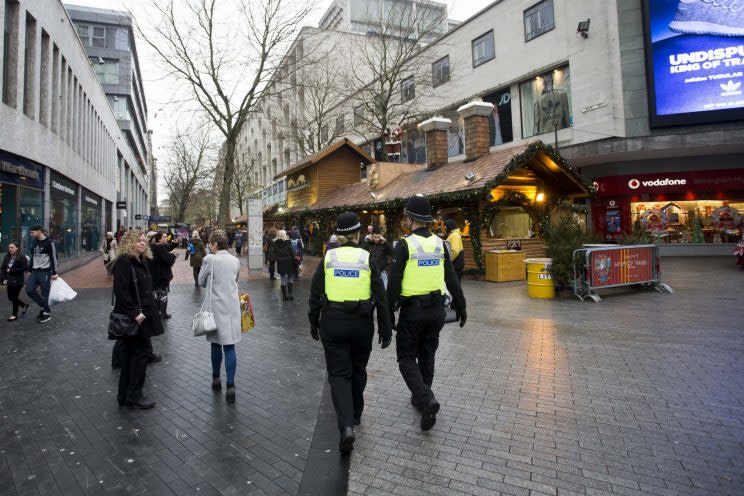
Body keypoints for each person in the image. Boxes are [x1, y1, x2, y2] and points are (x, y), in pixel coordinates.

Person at [308, 212, 392, 453]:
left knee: (338, 375)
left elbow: (315, 295)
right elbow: (381, 296)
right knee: (358, 369)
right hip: (361, 324)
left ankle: (345, 426)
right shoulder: (367, 258)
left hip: (333, 322)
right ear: (357, 234)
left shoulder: (329, 258)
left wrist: (313, 323)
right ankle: (356, 413)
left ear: (338, 234)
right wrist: (386, 328)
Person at [388, 194, 467, 431]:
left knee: (405, 358)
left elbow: (394, 282)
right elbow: (451, 279)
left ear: (410, 219)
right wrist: (461, 306)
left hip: (413, 312)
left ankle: (425, 398)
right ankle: (422, 400)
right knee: (428, 354)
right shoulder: (440, 245)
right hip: (436, 312)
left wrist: (389, 312)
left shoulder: (404, 244)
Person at [111, 229, 163, 409]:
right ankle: (133, 395)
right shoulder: (125, 262)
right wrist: (135, 313)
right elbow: (122, 292)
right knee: (139, 356)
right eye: (138, 241)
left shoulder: (141, 260)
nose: (142, 243)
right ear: (129, 243)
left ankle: (125, 395)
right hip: (135, 319)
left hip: (142, 317)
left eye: (144, 240)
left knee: (133, 357)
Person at [199, 230, 242, 403]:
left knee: (216, 344)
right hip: (231, 308)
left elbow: (201, 281)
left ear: (215, 244)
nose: (209, 246)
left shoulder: (210, 259)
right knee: (230, 346)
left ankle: (216, 378)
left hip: (215, 308)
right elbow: (235, 280)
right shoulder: (235, 260)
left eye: (210, 243)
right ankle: (231, 385)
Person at [26, 225, 58, 323]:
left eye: (32, 232)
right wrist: (30, 269)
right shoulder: (35, 241)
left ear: (39, 231)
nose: (31, 234)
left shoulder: (49, 242)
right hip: (35, 271)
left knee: (45, 293)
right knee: (29, 290)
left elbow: (54, 258)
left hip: (45, 271)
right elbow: (33, 256)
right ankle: (45, 307)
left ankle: (46, 314)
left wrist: (54, 272)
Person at [150, 231, 177, 319]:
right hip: (162, 275)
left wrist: (174, 244)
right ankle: (163, 313)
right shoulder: (160, 248)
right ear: (160, 239)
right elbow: (168, 261)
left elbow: (167, 249)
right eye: (165, 237)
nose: (166, 238)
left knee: (157, 294)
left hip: (155, 275)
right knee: (163, 295)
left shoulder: (155, 246)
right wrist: (174, 256)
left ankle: (158, 312)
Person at [1, 242, 30, 321]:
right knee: (10, 297)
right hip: (9, 280)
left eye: (12, 247)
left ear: (17, 248)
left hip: (18, 280)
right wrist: (4, 278)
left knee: (14, 297)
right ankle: (23, 305)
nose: (10, 249)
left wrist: (12, 270)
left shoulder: (21, 257)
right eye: (9, 247)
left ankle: (14, 314)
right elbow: (3, 268)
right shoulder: (7, 256)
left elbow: (25, 268)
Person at [270, 230, 295, 300]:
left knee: (283, 278)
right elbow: (293, 253)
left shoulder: (274, 243)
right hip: (290, 261)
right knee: (291, 277)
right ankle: (290, 294)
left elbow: (273, 254)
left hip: (280, 262)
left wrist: (278, 258)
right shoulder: (289, 242)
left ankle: (284, 296)